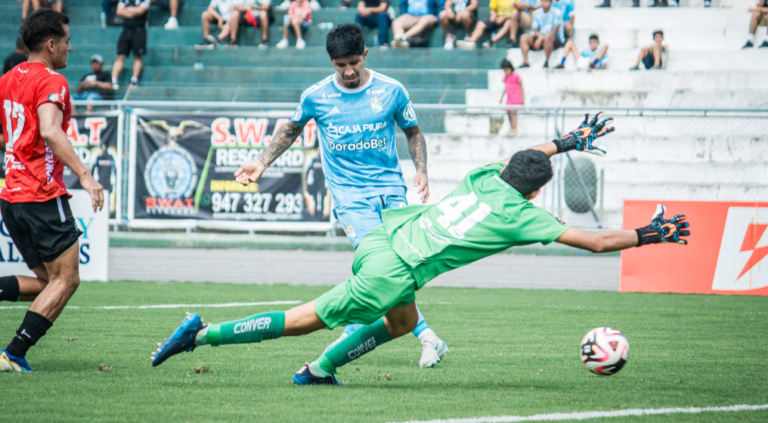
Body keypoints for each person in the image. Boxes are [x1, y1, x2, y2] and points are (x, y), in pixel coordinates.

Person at [151, 113, 692, 386]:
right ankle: (200, 335)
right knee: (305, 318)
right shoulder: (523, 213)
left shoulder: (487, 175)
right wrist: (651, 234)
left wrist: (567, 140)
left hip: (387, 239)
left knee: (400, 322)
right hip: (394, 268)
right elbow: (597, 241)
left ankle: (318, 373)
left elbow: (527, 154)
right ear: (536, 192)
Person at [194, 24, 448, 369]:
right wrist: (261, 161)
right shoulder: (316, 96)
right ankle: (424, 335)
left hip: (391, 192)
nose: (348, 72)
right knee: (381, 265)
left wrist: (421, 169)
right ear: (331, 62)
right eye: (340, 65)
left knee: (395, 267)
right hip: (351, 197)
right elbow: (291, 129)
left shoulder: (392, 90)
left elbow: (414, 133)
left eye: (354, 63)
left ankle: (379, 329)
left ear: (366, 55)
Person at [0, 9, 105, 373]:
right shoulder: (52, 80)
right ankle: (13, 352)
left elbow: (7, 137)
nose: (70, 48)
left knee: (48, 281)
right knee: (68, 279)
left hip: (11, 197)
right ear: (50, 44)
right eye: (66, 41)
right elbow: (49, 130)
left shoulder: (8, 79)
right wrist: (87, 177)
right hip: (41, 195)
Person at [111, 0, 149, 89]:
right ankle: (113, 80)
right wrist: (134, 11)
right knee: (119, 56)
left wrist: (127, 10)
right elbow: (119, 11)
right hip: (126, 30)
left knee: (137, 56)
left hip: (139, 30)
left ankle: (134, 80)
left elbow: (141, 11)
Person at [519, 0, 563, 68]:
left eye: (546, 1)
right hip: (540, 36)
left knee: (548, 37)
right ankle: (525, 62)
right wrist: (540, 37)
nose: (544, 3)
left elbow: (554, 32)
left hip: (553, 39)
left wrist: (541, 38)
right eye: (543, 1)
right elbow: (535, 30)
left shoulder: (557, 12)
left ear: (551, 2)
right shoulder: (537, 13)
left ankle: (547, 62)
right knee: (523, 37)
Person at [500, 59, 522, 136]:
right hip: (509, 98)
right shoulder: (505, 77)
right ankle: (511, 128)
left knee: (513, 113)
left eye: (507, 69)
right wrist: (502, 97)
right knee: (509, 113)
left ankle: (514, 129)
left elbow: (521, 87)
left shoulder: (516, 76)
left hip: (516, 97)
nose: (506, 72)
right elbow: (505, 88)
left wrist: (522, 98)